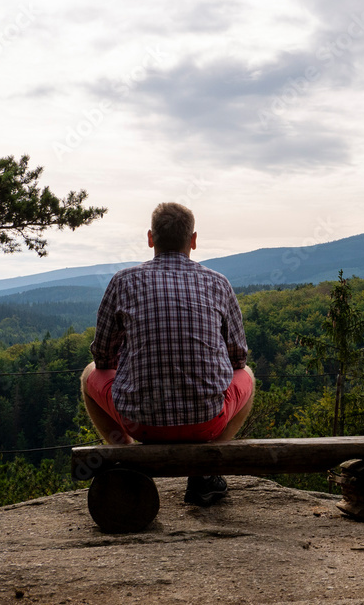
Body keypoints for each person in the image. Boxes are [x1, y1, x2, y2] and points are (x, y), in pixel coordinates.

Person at [80, 202, 254, 506]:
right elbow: (239, 358)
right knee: (248, 376)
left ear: (151, 238)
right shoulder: (218, 283)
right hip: (206, 422)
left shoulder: (123, 281)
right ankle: (205, 472)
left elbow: (103, 358)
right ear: (193, 240)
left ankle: (128, 459)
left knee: (88, 374)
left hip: (138, 422)